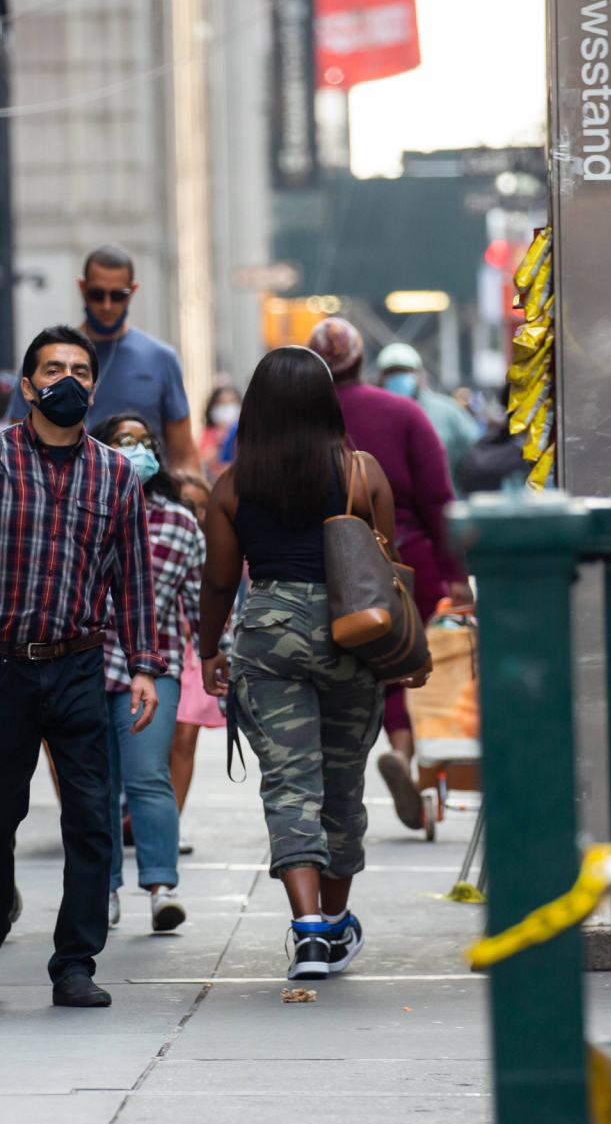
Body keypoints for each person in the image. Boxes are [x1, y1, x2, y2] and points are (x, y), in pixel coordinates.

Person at [0, 325, 165, 1008]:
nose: (67, 380)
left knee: (91, 818)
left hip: (80, 668)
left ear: (94, 385)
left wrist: (145, 664)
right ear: (27, 386)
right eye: (52, 369)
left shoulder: (115, 473)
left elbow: (133, 576)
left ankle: (75, 962)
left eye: (80, 370)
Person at [197, 345, 415, 979]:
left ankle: (310, 929)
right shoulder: (362, 472)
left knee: (291, 785)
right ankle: (338, 925)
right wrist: (400, 653)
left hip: (269, 636)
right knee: (342, 787)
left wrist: (210, 648)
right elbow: (387, 571)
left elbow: (217, 581)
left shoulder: (233, 484)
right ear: (328, 402)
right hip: (352, 634)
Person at [303, 319, 468, 834]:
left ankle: (335, 783)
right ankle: (402, 751)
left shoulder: (302, 421)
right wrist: (455, 573)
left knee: (334, 676)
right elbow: (439, 498)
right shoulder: (404, 413)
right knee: (402, 664)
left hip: (320, 566)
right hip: (403, 562)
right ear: (361, 362)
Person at [92, 412, 204, 933]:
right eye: (122, 440)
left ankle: (162, 887)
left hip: (153, 666)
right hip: (86, 664)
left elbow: (201, 601)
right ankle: (104, 889)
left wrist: (220, 657)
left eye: (143, 442)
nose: (134, 449)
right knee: (96, 784)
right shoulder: (82, 508)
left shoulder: (180, 523)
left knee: (147, 777)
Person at [4, 244, 201, 473]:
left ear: (133, 291)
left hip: (143, 496)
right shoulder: (45, 355)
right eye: (97, 294)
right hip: (62, 491)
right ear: (82, 287)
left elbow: (184, 454)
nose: (107, 306)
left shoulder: (161, 359)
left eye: (118, 296)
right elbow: (17, 442)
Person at [167, 470, 221, 853]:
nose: (197, 514)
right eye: (189, 505)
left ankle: (170, 823)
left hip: (198, 651)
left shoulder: (220, 545)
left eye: (204, 506)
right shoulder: (163, 535)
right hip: (166, 647)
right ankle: (142, 815)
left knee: (184, 738)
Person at [375, 343, 480, 493]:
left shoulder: (448, 412)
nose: (398, 377)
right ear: (380, 378)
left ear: (419, 375)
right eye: (391, 373)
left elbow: (473, 456)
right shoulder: (373, 415)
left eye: (404, 371)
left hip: (444, 504)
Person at [198, 385, 240, 478]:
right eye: (222, 403)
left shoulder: (243, 432)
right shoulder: (206, 435)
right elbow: (204, 460)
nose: (228, 407)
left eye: (232, 401)